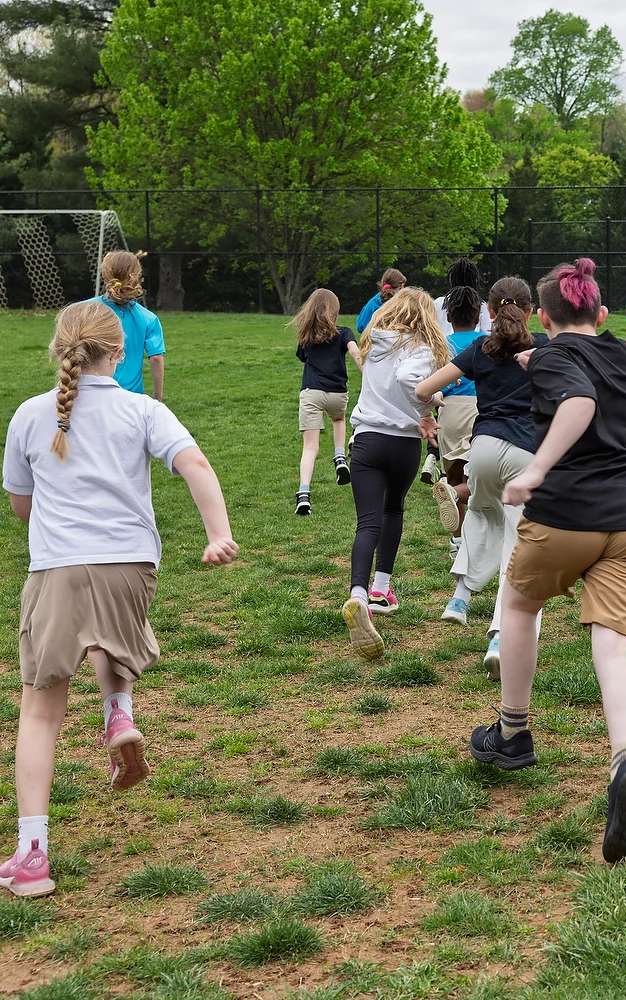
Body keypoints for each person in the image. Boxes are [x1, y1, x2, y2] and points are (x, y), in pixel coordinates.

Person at [2, 300, 237, 898]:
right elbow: (196, 464)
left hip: (54, 569)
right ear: (121, 351)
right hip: (129, 564)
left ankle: (32, 856)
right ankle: (119, 714)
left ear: (59, 347)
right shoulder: (143, 410)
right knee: (111, 641)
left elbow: (21, 507)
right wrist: (218, 534)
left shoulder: (30, 416)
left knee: (39, 711)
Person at [467, 258, 626, 864]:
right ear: (603, 316)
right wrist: (537, 362)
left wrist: (537, 469)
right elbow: (584, 375)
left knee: (518, 605)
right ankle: (624, 761)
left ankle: (514, 731)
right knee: (615, 647)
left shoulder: (554, 357)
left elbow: (576, 399)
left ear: (545, 318)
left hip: (566, 517)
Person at [416, 277, 547, 669]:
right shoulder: (543, 345)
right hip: (527, 453)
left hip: (484, 449)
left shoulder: (480, 347)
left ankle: (460, 595)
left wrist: (428, 415)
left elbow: (423, 390)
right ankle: (499, 639)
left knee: (478, 514)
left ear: (490, 313)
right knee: (520, 546)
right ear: (531, 311)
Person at [341, 288, 445, 659]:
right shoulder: (420, 348)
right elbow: (408, 380)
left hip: (366, 440)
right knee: (394, 511)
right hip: (401, 442)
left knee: (366, 523)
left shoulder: (374, 342)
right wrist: (428, 407)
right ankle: (381, 589)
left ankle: (357, 595)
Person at [292, 288, 361, 516]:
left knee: (310, 447)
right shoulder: (344, 333)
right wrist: (367, 370)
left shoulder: (305, 337)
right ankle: (340, 456)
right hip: (336, 393)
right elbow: (355, 352)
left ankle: (303, 494)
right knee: (338, 419)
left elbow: (305, 364)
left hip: (311, 392)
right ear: (335, 311)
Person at [430, 286, 487, 555]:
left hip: (449, 409)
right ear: (478, 316)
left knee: (453, 475)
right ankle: (481, 536)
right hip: (481, 409)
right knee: (479, 476)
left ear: (449, 317)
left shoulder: (442, 345)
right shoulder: (488, 342)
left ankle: (458, 540)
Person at [92, 251, 164, 401]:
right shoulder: (148, 318)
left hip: (90, 395)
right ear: (136, 277)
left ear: (104, 274)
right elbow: (156, 358)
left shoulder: (84, 310)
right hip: (131, 399)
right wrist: (158, 398)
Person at [434, 258, 493, 337]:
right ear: (475, 281)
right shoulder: (481, 306)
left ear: (451, 281)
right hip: (475, 348)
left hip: (444, 348)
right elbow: (488, 334)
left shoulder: (438, 304)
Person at [356, 267, 406, 334]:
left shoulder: (373, 302)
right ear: (401, 286)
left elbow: (360, 326)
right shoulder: (404, 304)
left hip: (374, 341)